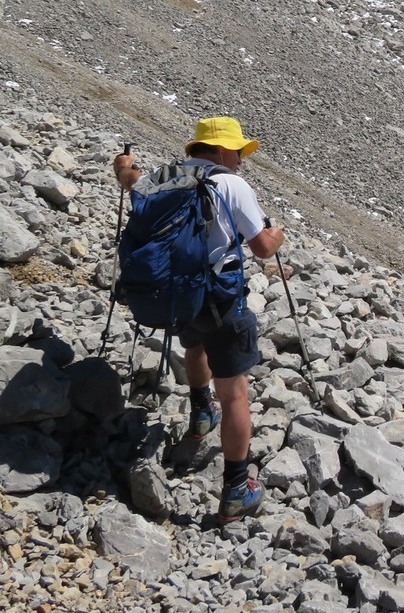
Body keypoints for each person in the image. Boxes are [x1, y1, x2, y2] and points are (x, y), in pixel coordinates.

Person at [113, 116, 284, 522]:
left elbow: (128, 180)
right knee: (236, 394)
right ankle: (236, 489)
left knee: (194, 344)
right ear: (223, 150)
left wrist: (122, 163)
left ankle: (199, 414)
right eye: (239, 152)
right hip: (221, 300)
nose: (242, 159)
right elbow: (261, 248)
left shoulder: (164, 176)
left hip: (180, 294)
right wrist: (279, 234)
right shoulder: (232, 184)